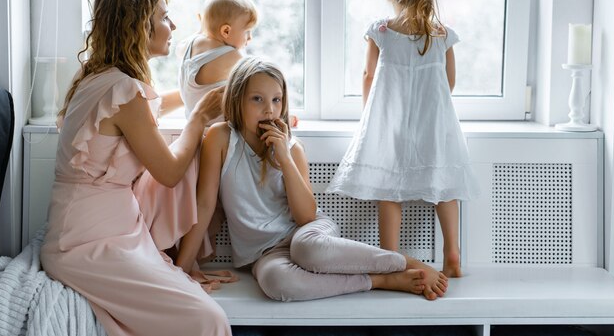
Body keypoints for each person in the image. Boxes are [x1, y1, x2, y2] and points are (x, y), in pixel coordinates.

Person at [40, 0, 232, 336]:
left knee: (193, 302)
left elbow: (148, 109)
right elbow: (169, 172)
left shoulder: (101, 80)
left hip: (100, 226)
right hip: (87, 240)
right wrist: (198, 118)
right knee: (209, 318)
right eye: (164, 17)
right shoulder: (123, 91)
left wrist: (196, 95)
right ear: (139, 28)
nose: (172, 27)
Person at [176, 57, 448, 301]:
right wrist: (182, 270)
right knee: (276, 283)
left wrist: (283, 156)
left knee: (307, 250)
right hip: (264, 254)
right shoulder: (221, 137)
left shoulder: (292, 148)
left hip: (307, 234)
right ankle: (379, 280)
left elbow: (306, 216)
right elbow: (203, 204)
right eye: (257, 99)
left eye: (276, 99)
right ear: (237, 100)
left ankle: (403, 262)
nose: (269, 110)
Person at [327, 0, 481, 279]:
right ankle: (452, 253)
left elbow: (368, 77)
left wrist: (369, 112)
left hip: (391, 123)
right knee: (444, 187)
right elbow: (448, 82)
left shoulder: (380, 32)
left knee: (388, 190)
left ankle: (392, 258)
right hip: (434, 124)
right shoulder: (442, 34)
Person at [178, 0, 257, 122]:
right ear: (226, 31)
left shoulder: (189, 45)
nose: (250, 38)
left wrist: (204, 27)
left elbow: (179, 49)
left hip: (195, 125)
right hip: (224, 132)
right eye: (247, 32)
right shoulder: (232, 55)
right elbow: (258, 85)